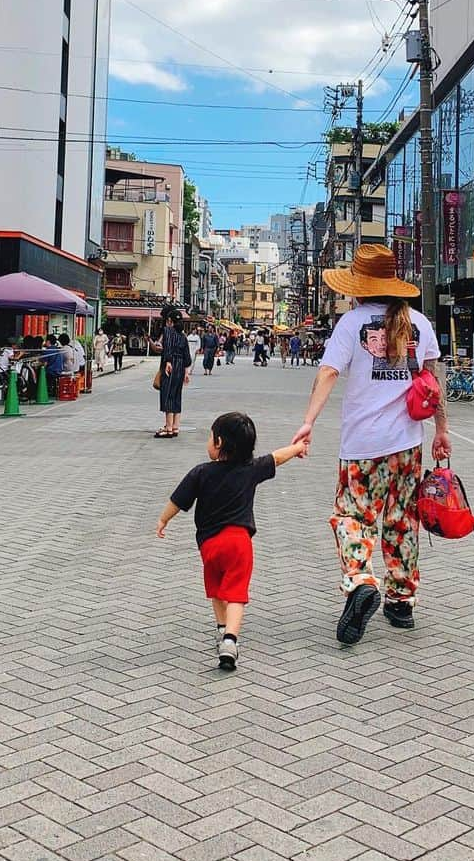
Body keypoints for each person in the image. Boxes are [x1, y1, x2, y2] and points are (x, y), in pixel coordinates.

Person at [292, 244, 450, 645]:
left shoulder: (351, 323)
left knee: (352, 517)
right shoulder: (419, 322)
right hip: (408, 445)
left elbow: (328, 372)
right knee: (401, 519)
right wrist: (441, 432)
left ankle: (362, 580)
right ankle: (401, 602)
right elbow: (434, 383)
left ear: (359, 286)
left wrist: (308, 422)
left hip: (362, 445)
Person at [157, 411, 308, 671]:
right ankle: (230, 639)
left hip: (209, 545)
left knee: (216, 589)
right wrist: (298, 447)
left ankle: (220, 629)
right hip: (239, 543)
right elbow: (278, 457)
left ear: (219, 443)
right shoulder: (251, 469)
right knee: (236, 594)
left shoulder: (200, 473)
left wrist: (163, 521)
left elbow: (177, 501)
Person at [152, 307, 192, 437]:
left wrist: (168, 362)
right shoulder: (183, 336)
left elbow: (167, 347)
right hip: (181, 367)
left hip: (170, 365)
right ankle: (175, 427)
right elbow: (187, 356)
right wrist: (186, 373)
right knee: (176, 395)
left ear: (170, 320)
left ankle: (168, 428)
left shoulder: (168, 331)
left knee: (168, 395)